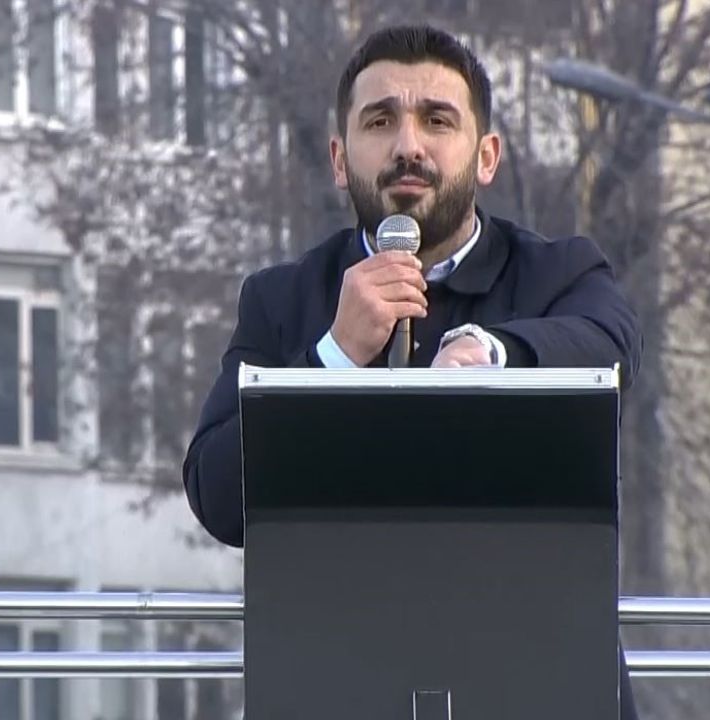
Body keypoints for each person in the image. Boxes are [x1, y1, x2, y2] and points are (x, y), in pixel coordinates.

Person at [182, 24, 643, 718]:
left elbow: (612, 343)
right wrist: (333, 359)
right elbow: (216, 497)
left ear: (486, 157)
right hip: (341, 688)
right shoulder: (282, 300)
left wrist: (490, 355)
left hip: (537, 686)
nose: (408, 146)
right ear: (340, 159)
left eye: (437, 120)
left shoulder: (558, 273)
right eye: (379, 121)